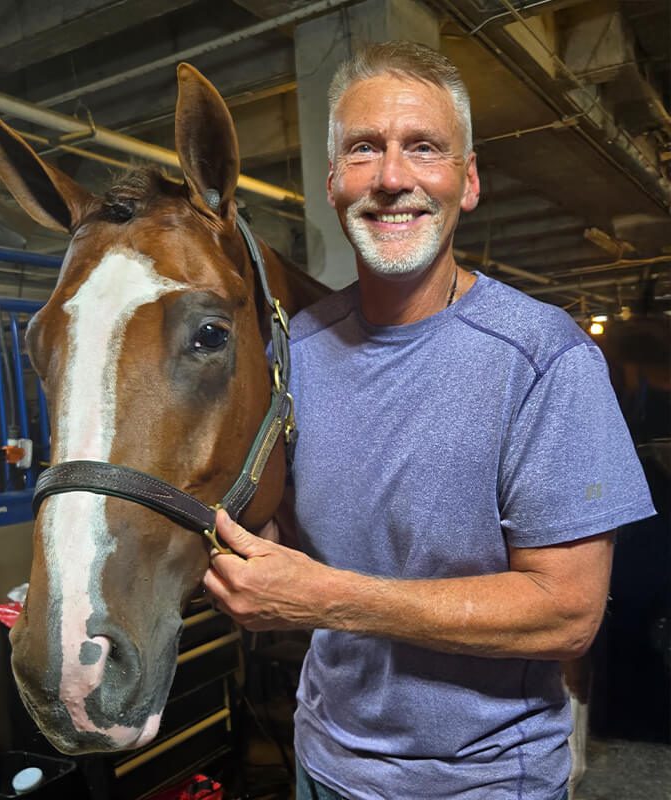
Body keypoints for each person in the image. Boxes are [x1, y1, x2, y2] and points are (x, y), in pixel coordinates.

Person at [202, 41, 656, 800]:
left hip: (480, 781)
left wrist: (325, 598)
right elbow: (293, 534)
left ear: (467, 181)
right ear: (333, 184)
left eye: (423, 148)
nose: (390, 177)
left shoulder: (544, 358)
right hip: (323, 760)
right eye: (363, 151)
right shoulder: (299, 354)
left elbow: (567, 615)